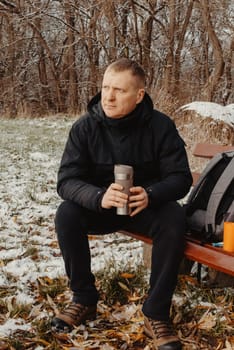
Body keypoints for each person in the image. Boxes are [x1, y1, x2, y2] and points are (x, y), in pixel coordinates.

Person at [52, 58, 193, 350]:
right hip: (101, 209)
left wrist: (151, 194)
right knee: (66, 214)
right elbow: (66, 181)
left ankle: (155, 313)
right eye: (105, 87)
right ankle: (84, 299)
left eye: (119, 89)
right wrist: (98, 197)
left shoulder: (160, 126)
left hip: (145, 209)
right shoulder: (85, 128)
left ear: (139, 95)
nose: (109, 96)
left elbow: (181, 178)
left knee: (174, 217)